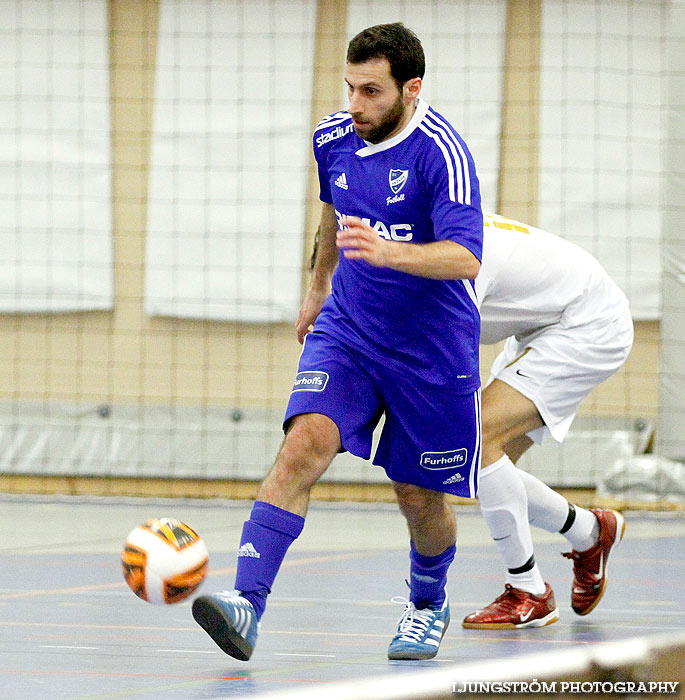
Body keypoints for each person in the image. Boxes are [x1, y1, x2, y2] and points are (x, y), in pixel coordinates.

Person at [192, 23, 484, 662]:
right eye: (349, 87)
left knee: (418, 496)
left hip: (431, 352)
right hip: (348, 332)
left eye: (371, 91)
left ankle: (427, 604)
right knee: (304, 445)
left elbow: (465, 257)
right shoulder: (333, 138)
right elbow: (332, 212)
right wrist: (318, 285)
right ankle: (247, 603)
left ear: (411, 90)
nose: (355, 103)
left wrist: (390, 252)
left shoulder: (443, 154)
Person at [462, 212, 633, 629]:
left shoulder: (453, 258)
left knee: (476, 439)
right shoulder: (413, 233)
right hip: (543, 324)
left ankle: (529, 592)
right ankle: (590, 531)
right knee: (476, 461)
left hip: (588, 323)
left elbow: (447, 356)